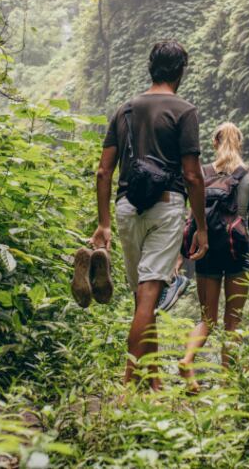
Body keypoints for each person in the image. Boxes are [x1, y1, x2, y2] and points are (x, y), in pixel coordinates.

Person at [78, 41, 209, 389]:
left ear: (150, 68)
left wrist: (103, 223)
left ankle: (152, 381)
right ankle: (129, 382)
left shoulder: (124, 110)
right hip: (165, 206)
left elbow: (103, 172)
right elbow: (194, 176)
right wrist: (201, 228)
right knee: (149, 296)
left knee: (142, 297)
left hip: (125, 208)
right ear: (181, 71)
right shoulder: (184, 110)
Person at [179, 122, 249, 392]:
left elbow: (190, 218)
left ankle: (187, 360)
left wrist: (179, 256)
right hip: (236, 249)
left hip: (206, 247)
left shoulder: (202, 173)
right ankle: (227, 383)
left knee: (207, 318)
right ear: (239, 143)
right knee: (233, 321)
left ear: (214, 143)